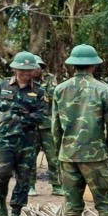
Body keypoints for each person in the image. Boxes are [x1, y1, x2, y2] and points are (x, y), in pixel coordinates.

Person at [52, 44, 108, 216]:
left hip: (68, 155)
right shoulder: (103, 90)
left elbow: (55, 127)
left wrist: (60, 151)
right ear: (93, 65)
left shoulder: (60, 89)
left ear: (73, 65)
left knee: (72, 203)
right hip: (95, 156)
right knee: (105, 203)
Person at [0, 50, 45, 216]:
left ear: (33, 71)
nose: (25, 73)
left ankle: (16, 211)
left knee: (24, 178)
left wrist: (22, 119)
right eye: (22, 70)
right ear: (15, 70)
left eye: (29, 70)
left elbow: (43, 115)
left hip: (27, 141)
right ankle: (0, 200)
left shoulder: (39, 91)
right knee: (1, 175)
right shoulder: (3, 86)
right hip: (5, 140)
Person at [31, 55, 62, 197]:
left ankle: (56, 185)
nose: (36, 69)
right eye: (34, 66)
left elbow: (53, 95)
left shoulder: (50, 79)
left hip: (47, 125)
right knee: (30, 157)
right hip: (30, 125)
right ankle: (30, 185)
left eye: (39, 66)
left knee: (53, 156)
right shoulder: (24, 80)